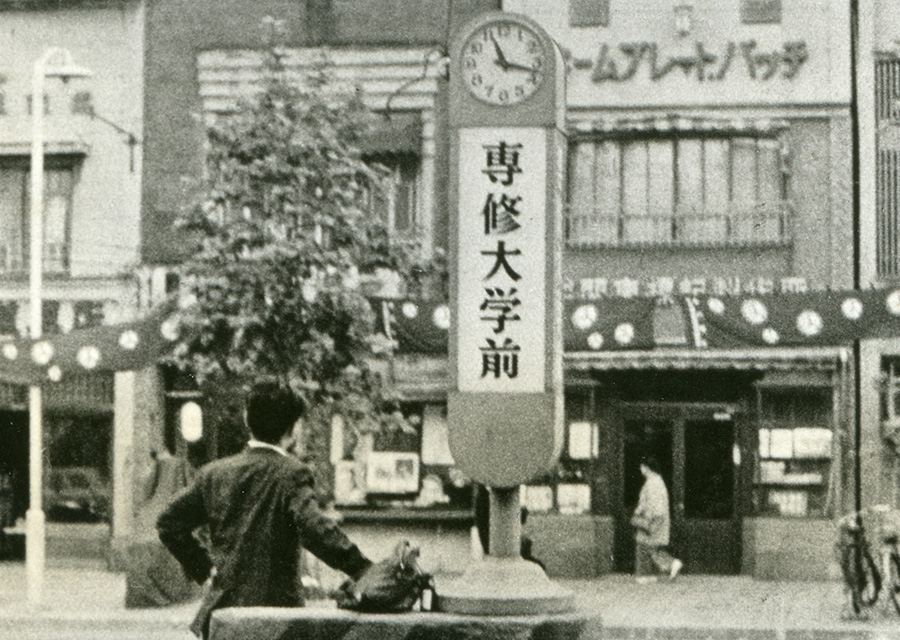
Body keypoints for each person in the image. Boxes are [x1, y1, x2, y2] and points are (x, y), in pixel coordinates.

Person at [157, 382, 373, 638]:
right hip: (277, 618)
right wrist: (365, 570)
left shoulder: (214, 474)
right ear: (293, 429)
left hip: (223, 615)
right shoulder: (291, 473)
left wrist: (203, 568)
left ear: (247, 420)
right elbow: (316, 529)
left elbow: (168, 523)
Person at [630, 455, 683, 583]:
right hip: (656, 519)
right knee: (651, 547)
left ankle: (648, 574)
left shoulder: (653, 484)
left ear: (647, 468)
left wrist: (646, 519)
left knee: (645, 544)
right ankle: (656, 572)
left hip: (652, 520)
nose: (640, 469)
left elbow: (653, 505)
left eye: (642, 467)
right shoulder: (656, 482)